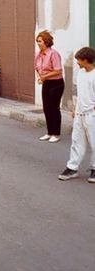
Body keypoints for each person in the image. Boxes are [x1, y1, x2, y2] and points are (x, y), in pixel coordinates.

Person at [58, 47, 95, 183]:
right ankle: (72, 168)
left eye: (79, 60)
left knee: (94, 142)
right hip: (79, 114)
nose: (78, 63)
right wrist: (75, 108)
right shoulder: (80, 73)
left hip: (92, 114)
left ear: (86, 60)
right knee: (76, 141)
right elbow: (79, 93)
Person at [34, 30, 65, 143]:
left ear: (46, 42)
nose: (38, 43)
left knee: (54, 108)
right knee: (46, 108)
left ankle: (56, 133)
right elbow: (37, 68)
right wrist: (39, 77)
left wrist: (45, 76)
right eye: (37, 41)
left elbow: (58, 70)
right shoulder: (38, 55)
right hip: (46, 82)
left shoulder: (53, 54)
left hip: (56, 83)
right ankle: (49, 132)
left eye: (40, 41)